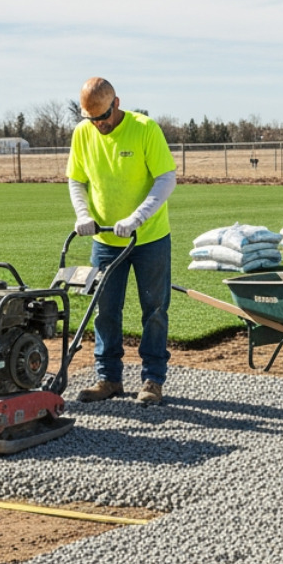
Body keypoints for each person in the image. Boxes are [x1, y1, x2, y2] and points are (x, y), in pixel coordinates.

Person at [66, 77, 178, 406]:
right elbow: (76, 179)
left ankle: (152, 380)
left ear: (117, 103)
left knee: (154, 309)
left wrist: (137, 218)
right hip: (105, 239)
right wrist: (83, 214)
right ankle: (108, 378)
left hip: (150, 238)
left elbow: (166, 179)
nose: (99, 125)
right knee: (105, 310)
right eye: (92, 119)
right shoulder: (82, 133)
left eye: (103, 117)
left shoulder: (145, 129)